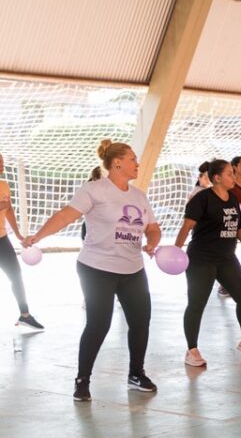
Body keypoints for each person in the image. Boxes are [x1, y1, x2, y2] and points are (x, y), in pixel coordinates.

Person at [24, 140, 161, 401]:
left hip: (132, 268)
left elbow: (152, 227)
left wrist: (152, 241)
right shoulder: (94, 190)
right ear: (117, 162)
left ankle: (136, 374)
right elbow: (66, 215)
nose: (137, 164)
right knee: (99, 323)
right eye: (132, 159)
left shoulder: (139, 196)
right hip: (96, 267)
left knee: (141, 322)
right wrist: (39, 235)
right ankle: (82, 379)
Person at [175, 158, 241, 367]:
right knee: (197, 303)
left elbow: (238, 227)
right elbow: (187, 227)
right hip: (201, 259)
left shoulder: (232, 198)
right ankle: (192, 350)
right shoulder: (202, 199)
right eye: (230, 174)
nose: (234, 177)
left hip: (227, 258)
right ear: (217, 178)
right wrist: (176, 251)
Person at [0, 153, 42, 330]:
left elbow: (8, 210)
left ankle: (25, 315)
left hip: (2, 239)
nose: (1, 164)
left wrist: (17, 234)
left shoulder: (3, 185)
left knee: (16, 275)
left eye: (1, 161)